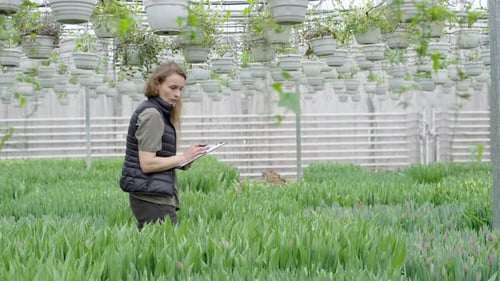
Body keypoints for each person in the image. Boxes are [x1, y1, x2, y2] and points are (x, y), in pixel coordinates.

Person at [119, 62, 208, 230]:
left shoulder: (159, 112)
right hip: (151, 198)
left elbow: (157, 158)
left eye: (181, 89)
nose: (177, 94)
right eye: (173, 87)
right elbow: (147, 164)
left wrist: (182, 161)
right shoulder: (152, 114)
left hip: (155, 193)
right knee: (166, 250)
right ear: (157, 84)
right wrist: (183, 156)